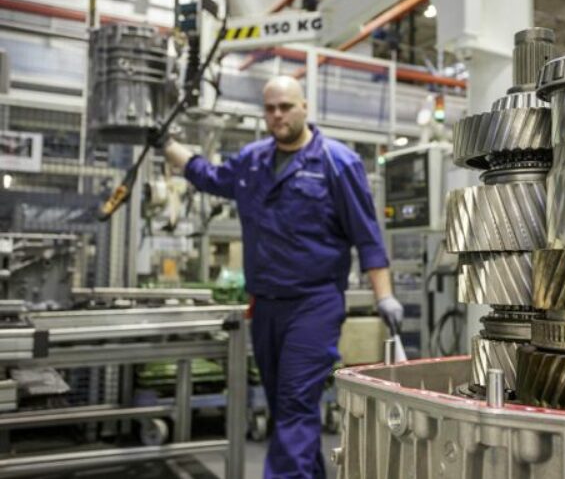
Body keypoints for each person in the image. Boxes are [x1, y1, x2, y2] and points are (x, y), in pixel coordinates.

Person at [154, 76, 403, 478]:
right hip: (265, 306)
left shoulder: (338, 163)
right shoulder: (253, 160)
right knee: (286, 408)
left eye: (285, 106)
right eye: (270, 108)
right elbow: (211, 177)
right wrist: (167, 147)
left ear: (304, 106)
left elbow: (367, 236)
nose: (277, 115)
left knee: (294, 402)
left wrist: (384, 296)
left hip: (314, 305)